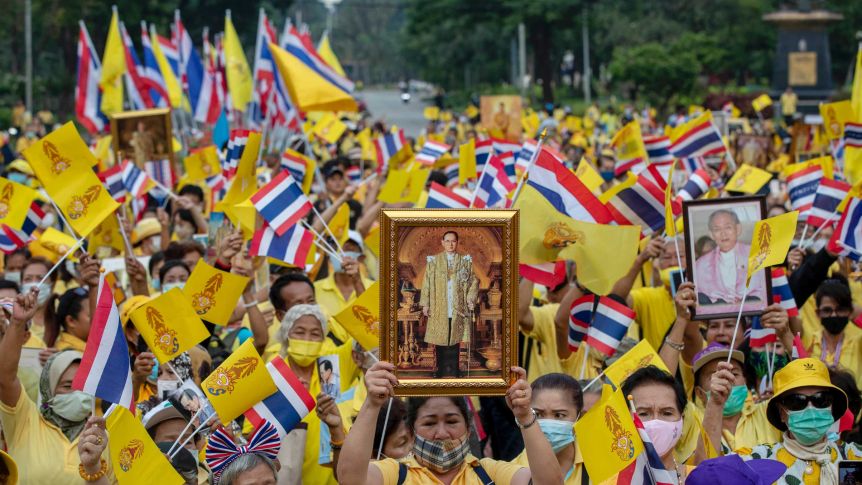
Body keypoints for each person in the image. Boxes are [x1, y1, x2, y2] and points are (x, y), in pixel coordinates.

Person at [337, 361, 563, 485]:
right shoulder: (396, 474)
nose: (442, 433)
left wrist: (524, 416)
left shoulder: (489, 474)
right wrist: (372, 404)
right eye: (429, 423)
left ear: (468, 427)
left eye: (452, 421)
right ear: (411, 431)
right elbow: (350, 478)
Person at [0, 287, 113, 483]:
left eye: (83, 386)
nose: (78, 394)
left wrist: (93, 467)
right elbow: (4, 378)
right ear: (48, 391)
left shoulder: (101, 438)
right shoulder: (25, 421)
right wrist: (17, 323)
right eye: (67, 386)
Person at [735, 358, 862, 484]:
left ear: (831, 406)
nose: (811, 409)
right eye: (796, 401)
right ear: (781, 413)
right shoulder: (756, 460)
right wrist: (716, 408)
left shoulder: (854, 455)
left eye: (821, 399)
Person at [696, 343, 780, 453]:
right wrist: (715, 405)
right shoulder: (690, 420)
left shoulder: (769, 411)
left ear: (745, 381)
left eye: (734, 374)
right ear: (699, 393)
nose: (728, 381)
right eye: (717, 376)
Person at [419, 230, 479, 378]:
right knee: (440, 340)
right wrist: (425, 304)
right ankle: (439, 370)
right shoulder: (434, 261)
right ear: (442, 242)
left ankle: (456, 369)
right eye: (447, 241)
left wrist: (471, 299)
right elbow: (426, 283)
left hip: (458, 307)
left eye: (453, 241)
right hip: (439, 306)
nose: (450, 244)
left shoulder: (465, 261)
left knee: (456, 340)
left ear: (457, 243)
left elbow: (473, 281)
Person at [621, 366, 697, 480]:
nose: (655, 423)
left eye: (666, 413)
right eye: (643, 414)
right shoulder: (608, 481)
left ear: (683, 421)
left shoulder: (698, 478)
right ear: (624, 420)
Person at [512, 373, 584, 484]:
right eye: (538, 414)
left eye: (559, 415)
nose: (549, 423)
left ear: (579, 416)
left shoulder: (601, 466)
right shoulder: (513, 471)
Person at [694, 209, 766, 305]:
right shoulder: (700, 264)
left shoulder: (756, 255)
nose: (723, 233)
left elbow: (764, 290)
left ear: (738, 229)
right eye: (717, 229)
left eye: (728, 227)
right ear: (711, 234)